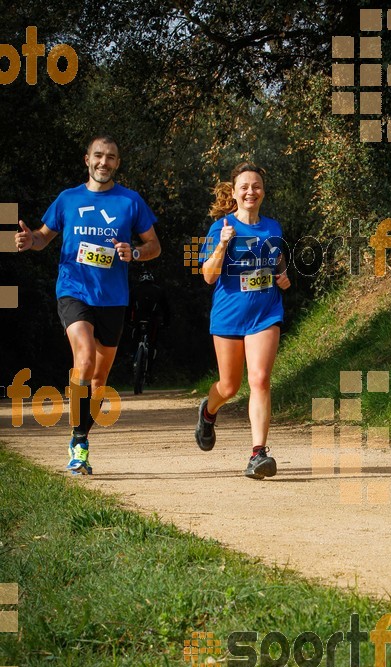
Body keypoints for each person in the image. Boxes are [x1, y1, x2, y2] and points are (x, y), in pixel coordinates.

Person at [14, 134, 161, 474]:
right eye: (98, 156)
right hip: (73, 291)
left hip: (112, 299)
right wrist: (28, 240)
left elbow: (154, 245)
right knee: (84, 359)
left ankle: (80, 434)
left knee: (99, 380)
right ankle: (79, 444)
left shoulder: (130, 202)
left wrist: (135, 252)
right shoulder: (68, 199)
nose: (103, 162)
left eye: (110, 157)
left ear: (117, 163)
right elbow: (42, 238)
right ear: (87, 159)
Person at [195, 161, 290, 479]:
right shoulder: (219, 228)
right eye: (245, 187)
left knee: (260, 379)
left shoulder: (273, 228)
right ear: (234, 193)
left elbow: (275, 260)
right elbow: (208, 276)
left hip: (266, 313)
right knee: (229, 386)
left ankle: (258, 453)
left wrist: (282, 274)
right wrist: (223, 243)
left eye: (257, 186)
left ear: (263, 192)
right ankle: (208, 412)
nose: (252, 191)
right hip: (229, 316)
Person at [128, 270, 170, 383]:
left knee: (134, 340)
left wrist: (127, 322)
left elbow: (128, 307)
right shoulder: (159, 290)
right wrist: (166, 323)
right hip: (153, 321)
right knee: (152, 344)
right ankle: (149, 371)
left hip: (137, 320)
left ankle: (133, 358)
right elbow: (166, 309)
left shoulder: (134, 290)